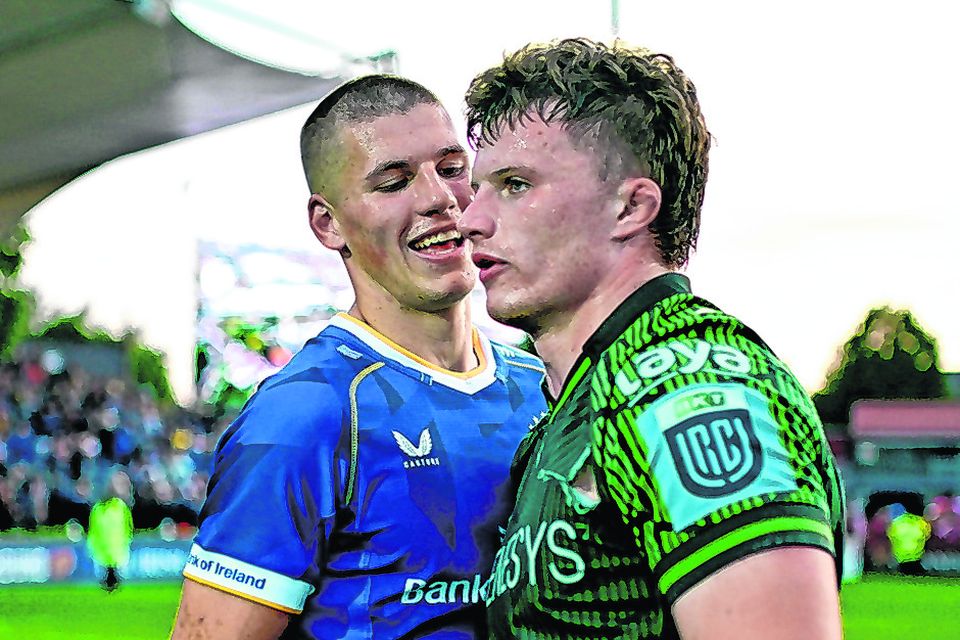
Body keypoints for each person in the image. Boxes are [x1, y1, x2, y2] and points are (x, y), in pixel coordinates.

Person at [458, 39, 846, 639]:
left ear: (630, 208)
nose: (470, 220)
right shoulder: (579, 401)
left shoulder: (687, 380)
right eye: (479, 188)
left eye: (514, 184)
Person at [171, 75, 547, 639]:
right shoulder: (302, 416)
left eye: (450, 168)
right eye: (394, 182)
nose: (439, 198)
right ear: (328, 223)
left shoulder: (543, 385)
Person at [87, 470, 134, 592]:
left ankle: (114, 586)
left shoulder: (120, 506)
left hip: (117, 552)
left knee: (118, 578)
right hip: (102, 553)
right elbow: (93, 530)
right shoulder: (97, 509)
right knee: (104, 580)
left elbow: (128, 527)